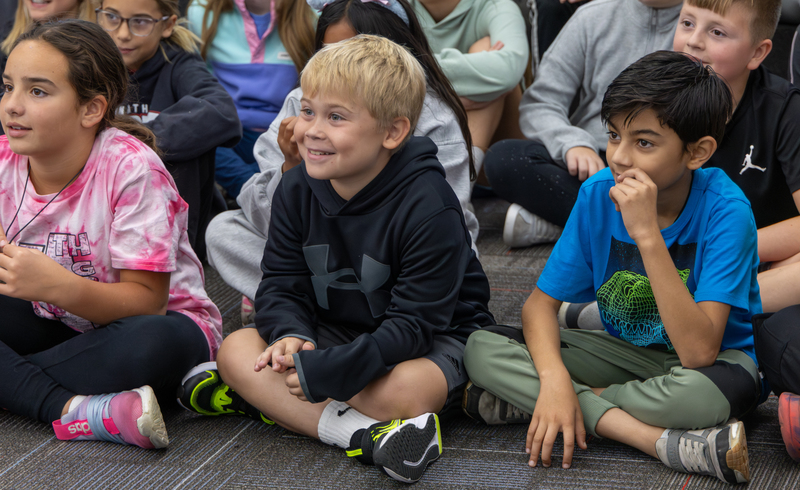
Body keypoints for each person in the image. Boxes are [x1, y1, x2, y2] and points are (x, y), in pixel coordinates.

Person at [178, 35, 495, 483]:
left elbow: (414, 325)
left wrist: (333, 370)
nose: (312, 131)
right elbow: (281, 284)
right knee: (235, 351)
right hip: (338, 330)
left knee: (407, 393)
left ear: (393, 132)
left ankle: (267, 404)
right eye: (307, 111)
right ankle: (366, 438)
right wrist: (291, 333)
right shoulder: (295, 187)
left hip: (432, 336)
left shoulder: (429, 204)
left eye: (336, 117)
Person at [463, 51, 763, 484]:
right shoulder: (597, 193)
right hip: (626, 354)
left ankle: (546, 404)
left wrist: (647, 236)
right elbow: (537, 308)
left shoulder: (727, 211)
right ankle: (649, 438)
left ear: (697, 152)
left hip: (713, 366)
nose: (620, 157)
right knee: (482, 347)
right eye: (613, 135)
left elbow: (700, 353)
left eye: (644, 142)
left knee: (704, 400)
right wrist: (552, 378)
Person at [0, 20, 222, 449]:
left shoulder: (132, 169)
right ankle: (73, 410)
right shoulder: (5, 160)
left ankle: (17, 385)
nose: (12, 105)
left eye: (37, 91)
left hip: (147, 326)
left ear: (91, 109)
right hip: (55, 321)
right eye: (7, 87)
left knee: (156, 344)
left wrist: (59, 286)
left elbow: (147, 302)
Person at [205, 0, 479, 314]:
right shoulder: (300, 103)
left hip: (396, 258)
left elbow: (445, 219)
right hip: (322, 255)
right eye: (327, 54)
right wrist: (291, 167)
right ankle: (304, 307)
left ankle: (338, 313)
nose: (339, 68)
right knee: (224, 231)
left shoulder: (432, 116)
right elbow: (267, 221)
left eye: (356, 53)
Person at [485, 0, 682, 248]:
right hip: (598, 158)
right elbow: (541, 101)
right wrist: (572, 144)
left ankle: (575, 225)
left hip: (667, 162)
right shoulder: (592, 16)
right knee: (504, 159)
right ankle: (640, 228)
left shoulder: (701, 23)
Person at [97, 0, 241, 259]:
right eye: (112, 17)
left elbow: (220, 111)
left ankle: (173, 255)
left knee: (182, 147)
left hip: (168, 222)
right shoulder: (87, 62)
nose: (122, 33)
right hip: (100, 209)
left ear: (168, 25)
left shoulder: (179, 63)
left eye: (140, 21)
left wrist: (131, 142)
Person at [186, 0, 315, 199]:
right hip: (228, 134)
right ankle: (259, 195)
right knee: (198, 133)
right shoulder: (201, 12)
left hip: (282, 133)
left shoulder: (311, 14)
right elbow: (196, 87)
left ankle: (257, 196)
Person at [408, 0, 529, 175]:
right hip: (417, 135)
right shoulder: (392, 7)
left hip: (498, 157)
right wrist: (452, 98)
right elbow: (381, 72)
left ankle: (459, 186)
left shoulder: (494, 5)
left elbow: (508, 69)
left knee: (484, 50)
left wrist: (414, 69)